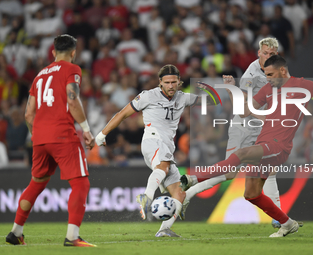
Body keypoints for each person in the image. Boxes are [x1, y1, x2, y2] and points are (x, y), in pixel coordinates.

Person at [185, 55, 313, 237]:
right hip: (263, 143)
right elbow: (244, 112)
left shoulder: (305, 86)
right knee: (251, 194)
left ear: (283, 70)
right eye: (266, 75)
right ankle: (287, 224)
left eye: (271, 74)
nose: (268, 79)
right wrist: (232, 89)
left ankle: (194, 179)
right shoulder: (267, 89)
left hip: (279, 146)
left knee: (241, 153)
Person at [95, 64, 216, 237]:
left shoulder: (183, 98)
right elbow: (122, 114)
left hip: (166, 147)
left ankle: (164, 230)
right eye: (167, 82)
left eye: (174, 82)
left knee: (179, 195)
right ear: (160, 82)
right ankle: (147, 196)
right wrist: (101, 135)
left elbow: (213, 100)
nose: (171, 86)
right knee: (163, 165)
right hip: (152, 140)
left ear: (179, 82)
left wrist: (207, 86)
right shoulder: (147, 96)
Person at [181, 38, 285, 228]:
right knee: (229, 173)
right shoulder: (251, 74)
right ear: (258, 54)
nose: (268, 56)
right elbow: (242, 106)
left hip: (261, 128)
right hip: (243, 127)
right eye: (265, 53)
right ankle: (187, 193)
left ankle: (278, 218)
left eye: (272, 54)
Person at [6, 35, 96, 247]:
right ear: (73, 52)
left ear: (53, 52)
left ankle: (16, 232)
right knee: (81, 183)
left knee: (36, 183)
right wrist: (86, 130)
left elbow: (28, 114)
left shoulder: (39, 76)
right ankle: (72, 236)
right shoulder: (72, 69)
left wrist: (37, 135)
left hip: (39, 138)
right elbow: (72, 101)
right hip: (63, 134)